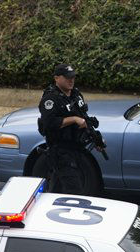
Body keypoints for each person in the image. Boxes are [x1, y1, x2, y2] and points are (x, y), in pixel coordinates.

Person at [38, 63, 98, 194]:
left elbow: (83, 117)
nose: (71, 80)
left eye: (73, 77)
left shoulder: (76, 94)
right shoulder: (50, 99)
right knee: (74, 190)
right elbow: (49, 123)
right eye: (67, 77)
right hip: (61, 151)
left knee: (57, 188)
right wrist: (74, 119)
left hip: (76, 149)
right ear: (57, 78)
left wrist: (96, 138)